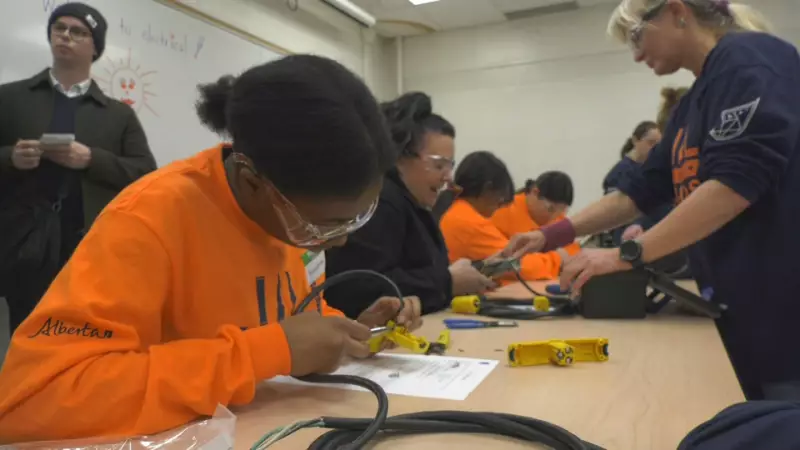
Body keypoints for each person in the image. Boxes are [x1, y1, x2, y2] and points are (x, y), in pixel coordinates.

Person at [0, 55, 423, 443]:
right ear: (252, 179)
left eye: (358, 217)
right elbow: (33, 400)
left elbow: (279, 320)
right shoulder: (148, 220)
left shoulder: (285, 211)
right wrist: (267, 351)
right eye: (325, 224)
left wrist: (347, 331)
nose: (341, 240)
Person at [503, 0, 799, 401]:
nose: (637, 54)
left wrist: (626, 254)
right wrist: (547, 236)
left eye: (638, 36)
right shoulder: (691, 105)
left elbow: (734, 184)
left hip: (782, 320)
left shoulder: (751, 58)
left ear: (678, 12)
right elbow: (635, 194)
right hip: (740, 313)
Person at [0, 2, 156, 335]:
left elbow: (146, 173)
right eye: (60, 28)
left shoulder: (118, 115)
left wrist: (91, 160)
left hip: (88, 246)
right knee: (23, 332)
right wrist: (10, 158)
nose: (66, 36)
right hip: (20, 242)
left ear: (95, 46)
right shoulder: (9, 98)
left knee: (75, 335)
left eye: (78, 32)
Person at [325, 92, 494, 318]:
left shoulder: (411, 204)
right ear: (400, 157)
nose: (448, 177)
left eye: (449, 166)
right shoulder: (381, 201)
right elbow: (360, 286)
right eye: (439, 165)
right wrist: (448, 281)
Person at [441, 151, 563, 282]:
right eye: (500, 200)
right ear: (487, 188)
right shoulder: (469, 222)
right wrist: (557, 258)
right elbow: (520, 266)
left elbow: (501, 264)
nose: (499, 207)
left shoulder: (457, 211)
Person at [602, 121, 667, 244]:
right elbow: (616, 213)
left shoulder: (653, 170)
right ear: (635, 140)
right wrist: (638, 225)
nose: (655, 149)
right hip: (630, 241)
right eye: (650, 143)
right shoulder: (619, 174)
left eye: (659, 145)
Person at [492, 171, 581, 257]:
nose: (554, 217)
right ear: (535, 192)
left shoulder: (559, 220)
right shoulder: (502, 210)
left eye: (562, 211)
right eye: (551, 209)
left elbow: (573, 253)